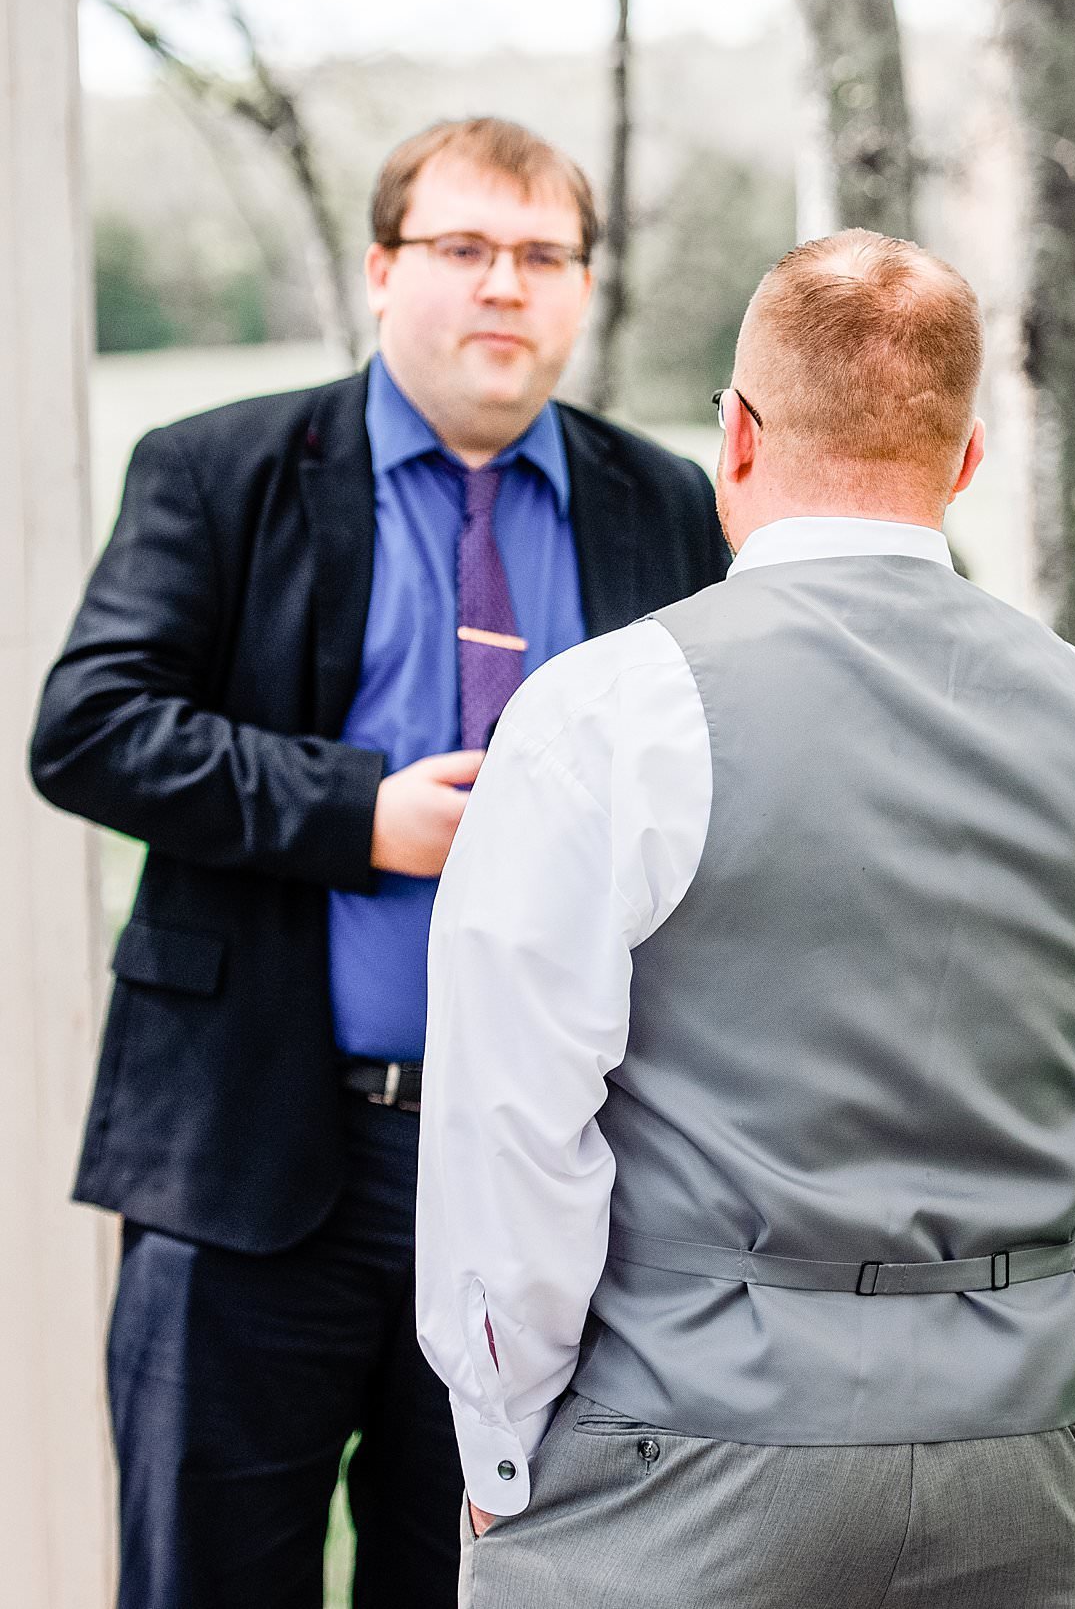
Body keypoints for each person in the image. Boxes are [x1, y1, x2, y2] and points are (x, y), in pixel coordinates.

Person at [416, 229, 1075, 1609]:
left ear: (735, 434)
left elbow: (512, 1129)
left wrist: (503, 1445)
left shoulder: (610, 716)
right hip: (1014, 1461)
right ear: (964, 459)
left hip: (675, 1464)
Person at [29, 116, 728, 1609]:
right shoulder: (219, 470)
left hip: (536, 1180)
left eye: (543, 256)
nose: (504, 287)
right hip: (253, 1153)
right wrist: (363, 814)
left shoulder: (664, 502)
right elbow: (88, 727)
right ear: (381, 269)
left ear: (584, 287)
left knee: (471, 1585)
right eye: (463, 248)